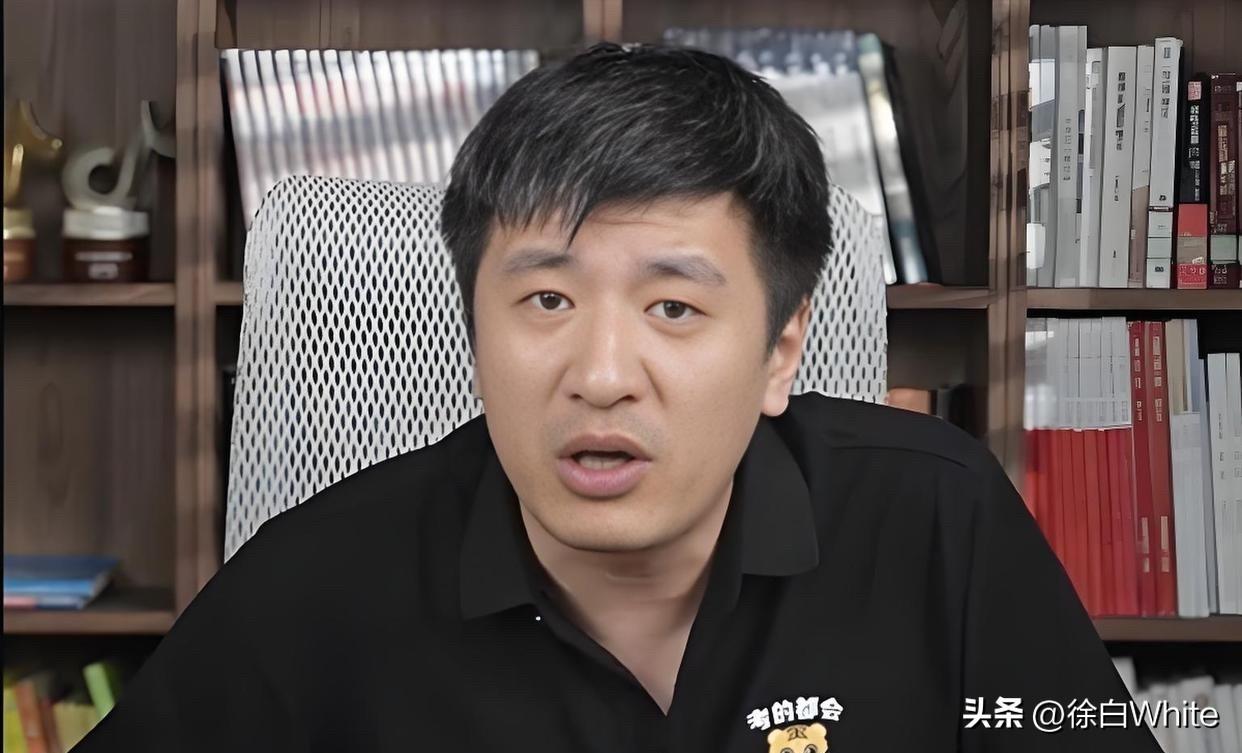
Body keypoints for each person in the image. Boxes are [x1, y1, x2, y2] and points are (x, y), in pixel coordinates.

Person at [73, 43, 1160, 752]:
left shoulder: (937, 520)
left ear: (781, 349)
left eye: (673, 308)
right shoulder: (313, 581)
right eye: (545, 299)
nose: (599, 374)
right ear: (474, 326)